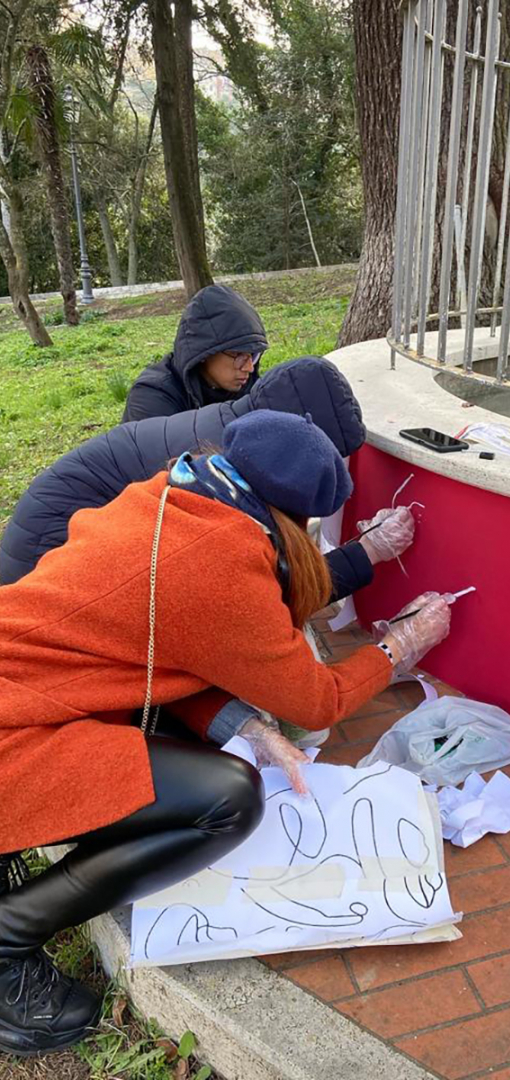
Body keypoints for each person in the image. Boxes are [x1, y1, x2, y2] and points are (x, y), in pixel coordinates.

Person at [0, 410, 451, 1056]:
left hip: (26, 700)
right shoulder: (224, 564)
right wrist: (400, 645)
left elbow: (169, 649)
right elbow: (318, 700)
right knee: (230, 797)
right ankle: (9, 935)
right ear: (298, 522)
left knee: (213, 765)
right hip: (14, 739)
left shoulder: (178, 492)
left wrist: (251, 728)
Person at [0, 357, 368, 590]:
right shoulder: (218, 473)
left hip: (59, 527)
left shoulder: (238, 433)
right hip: (44, 563)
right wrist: (365, 555)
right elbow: (259, 596)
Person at [122, 284, 268, 423]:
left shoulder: (251, 389)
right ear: (206, 352)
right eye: (238, 355)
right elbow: (157, 448)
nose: (249, 367)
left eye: (253, 355)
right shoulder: (152, 397)